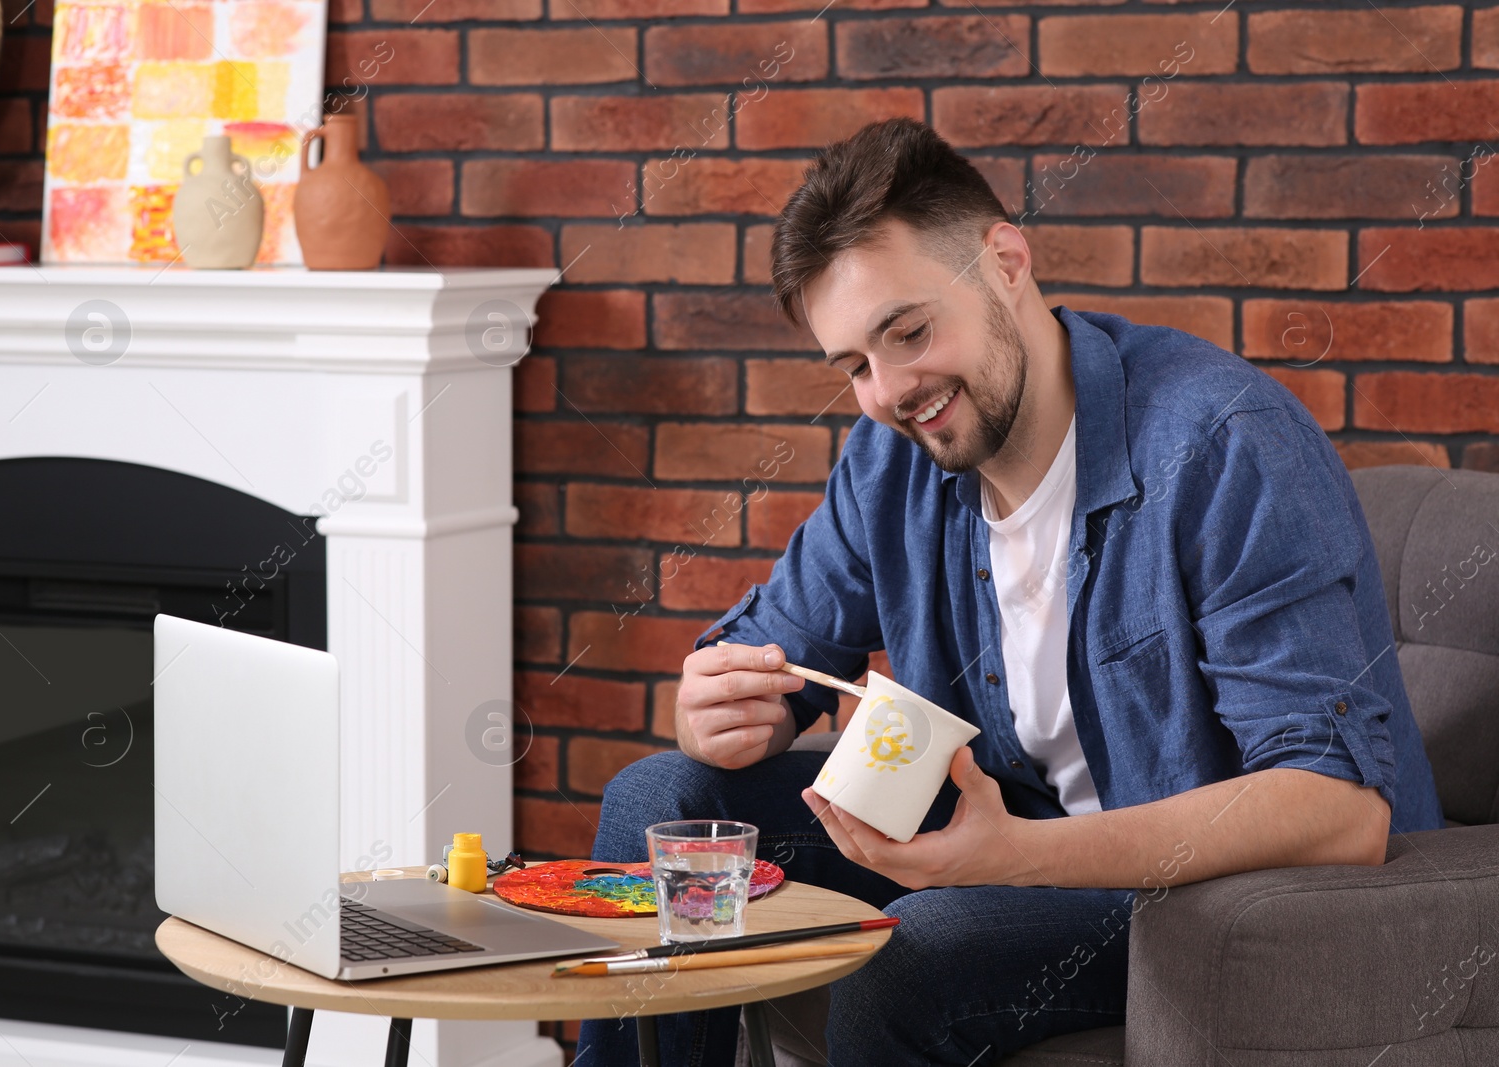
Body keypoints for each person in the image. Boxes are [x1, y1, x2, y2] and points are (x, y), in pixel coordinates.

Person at [573, 117, 1442, 1067]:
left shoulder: (1223, 444)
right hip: (1005, 842)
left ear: (1007, 262)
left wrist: (1007, 858)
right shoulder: (893, 461)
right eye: (855, 366)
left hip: (1200, 893)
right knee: (661, 795)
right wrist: (724, 708)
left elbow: (1338, 809)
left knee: (905, 959)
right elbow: (776, 659)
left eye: (908, 332)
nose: (891, 389)